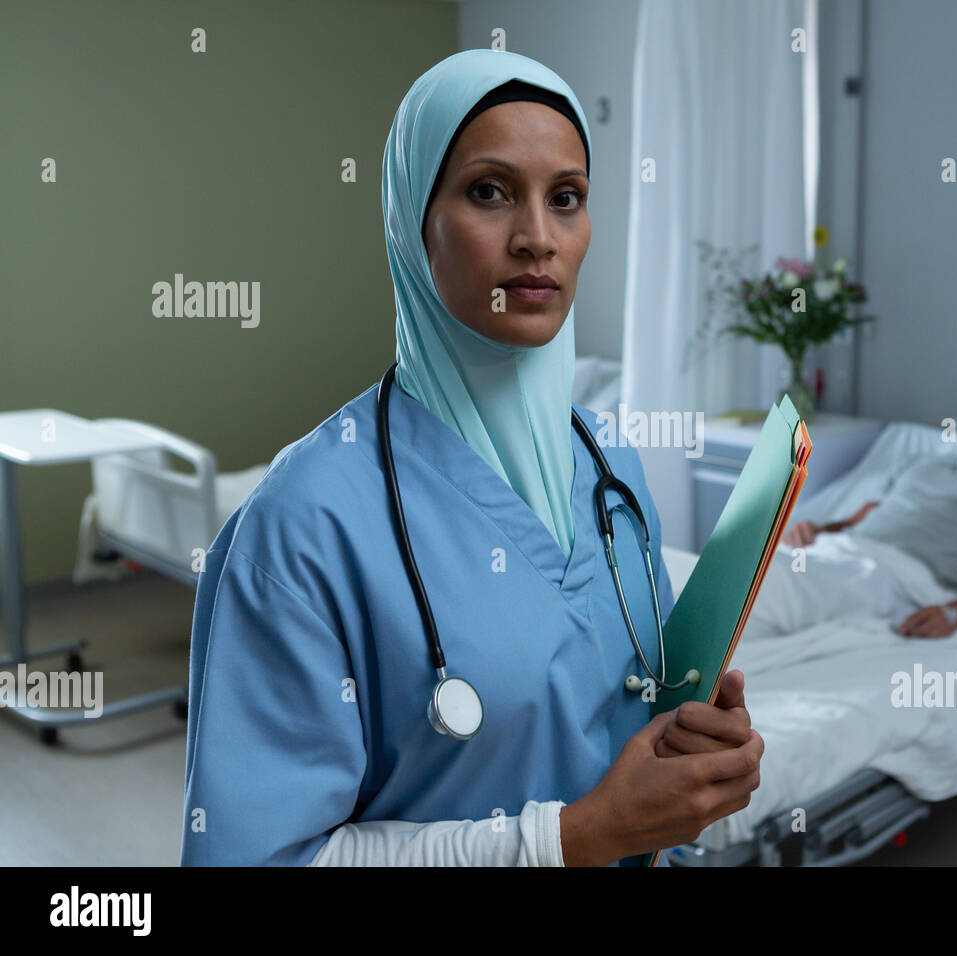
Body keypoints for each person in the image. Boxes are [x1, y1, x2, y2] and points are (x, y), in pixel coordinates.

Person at [180, 50, 762, 867]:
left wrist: (693, 752)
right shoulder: (301, 527)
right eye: (489, 192)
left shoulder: (612, 468)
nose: (537, 239)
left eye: (566, 199)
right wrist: (572, 840)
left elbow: (628, 722)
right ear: (411, 219)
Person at [772, 373, 957, 639]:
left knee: (763, 586)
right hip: (842, 552)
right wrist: (816, 530)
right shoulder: (925, 461)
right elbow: (860, 519)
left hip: (897, 579)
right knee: (762, 569)